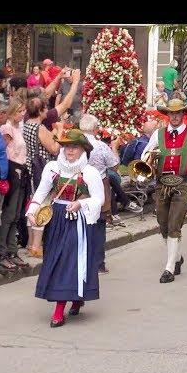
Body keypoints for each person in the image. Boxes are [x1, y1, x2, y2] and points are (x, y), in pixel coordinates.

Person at [26, 129, 105, 327]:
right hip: (56, 219)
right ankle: (77, 297)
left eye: (75, 147)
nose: (70, 150)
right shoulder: (53, 168)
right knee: (55, 258)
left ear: (82, 149)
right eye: (67, 146)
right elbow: (41, 192)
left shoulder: (90, 172)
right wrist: (32, 210)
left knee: (69, 260)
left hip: (78, 220)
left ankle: (59, 309)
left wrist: (81, 204)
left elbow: (99, 199)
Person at [141, 98, 187, 283]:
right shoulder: (158, 134)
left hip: (182, 184)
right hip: (161, 184)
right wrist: (150, 158)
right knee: (163, 224)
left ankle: (169, 268)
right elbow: (144, 155)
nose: (175, 116)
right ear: (167, 115)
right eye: (172, 113)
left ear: (183, 115)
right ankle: (177, 257)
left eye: (178, 113)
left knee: (174, 225)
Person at [79, 114, 123, 273]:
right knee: (98, 226)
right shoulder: (101, 146)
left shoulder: (74, 144)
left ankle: (81, 261)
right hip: (98, 186)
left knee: (79, 223)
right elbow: (115, 167)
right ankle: (98, 263)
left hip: (78, 186)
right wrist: (115, 148)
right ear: (95, 129)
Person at [23, 97, 64, 258]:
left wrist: (52, 133)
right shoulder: (39, 127)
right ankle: (36, 245)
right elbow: (54, 149)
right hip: (41, 168)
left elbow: (43, 140)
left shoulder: (28, 125)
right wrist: (60, 130)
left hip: (31, 168)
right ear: (40, 112)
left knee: (32, 203)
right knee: (42, 204)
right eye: (45, 109)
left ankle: (30, 243)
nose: (47, 111)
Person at [0, 100, 28, 272]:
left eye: (24, 110)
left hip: (20, 170)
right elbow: (5, 152)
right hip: (12, 170)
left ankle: (12, 250)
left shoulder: (17, 127)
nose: (23, 113)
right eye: (19, 111)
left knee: (17, 214)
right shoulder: (7, 129)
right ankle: (4, 252)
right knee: (8, 215)